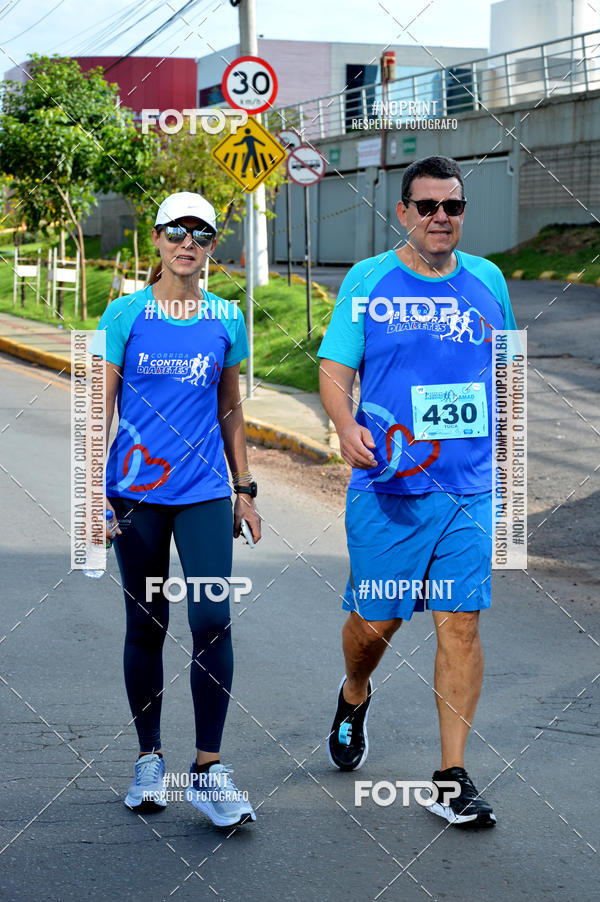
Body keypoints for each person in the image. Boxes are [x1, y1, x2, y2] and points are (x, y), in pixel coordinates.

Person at [318, 156, 517, 827]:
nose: (440, 218)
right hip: (388, 485)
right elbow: (335, 368)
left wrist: (509, 465)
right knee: (378, 624)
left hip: (468, 486)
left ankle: (451, 775)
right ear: (403, 212)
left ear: (463, 213)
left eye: (452, 207)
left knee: (460, 624)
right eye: (427, 206)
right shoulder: (369, 279)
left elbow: (507, 373)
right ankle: (353, 691)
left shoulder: (488, 281)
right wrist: (344, 424)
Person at [90, 191, 261, 828]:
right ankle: (148, 758)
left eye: (202, 234)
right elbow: (97, 408)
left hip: (206, 492)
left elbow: (230, 408)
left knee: (213, 618)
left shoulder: (226, 317)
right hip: (134, 494)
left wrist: (244, 488)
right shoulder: (124, 315)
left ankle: (209, 769)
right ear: (157, 241)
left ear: (213, 246)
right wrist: (90, 498)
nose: (188, 243)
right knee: (148, 623)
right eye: (176, 232)